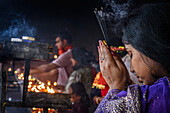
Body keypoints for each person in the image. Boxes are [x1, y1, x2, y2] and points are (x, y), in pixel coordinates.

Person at [95, 2, 170, 113]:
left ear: (151, 47)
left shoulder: (163, 93)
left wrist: (116, 84)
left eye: (131, 53)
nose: (132, 69)